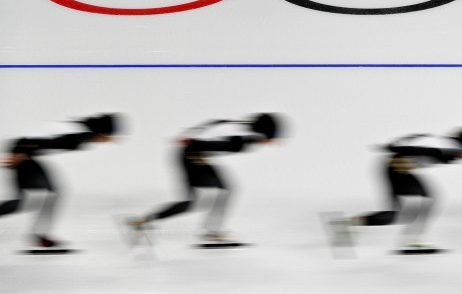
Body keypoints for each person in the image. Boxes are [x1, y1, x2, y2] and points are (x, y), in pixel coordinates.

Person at [127, 113, 281, 244]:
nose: (273, 142)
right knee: (197, 201)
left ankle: (145, 221)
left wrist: (188, 136)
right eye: (272, 138)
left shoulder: (237, 125)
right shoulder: (242, 140)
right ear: (265, 133)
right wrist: (193, 141)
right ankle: (211, 231)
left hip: (194, 152)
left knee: (217, 193)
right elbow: (217, 144)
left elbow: (213, 124)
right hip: (193, 154)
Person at [330, 128, 462, 252]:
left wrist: (392, 146)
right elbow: (420, 149)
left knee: (398, 215)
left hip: (392, 164)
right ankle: (413, 239)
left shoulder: (443, 142)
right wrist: (393, 148)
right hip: (397, 165)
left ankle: (347, 224)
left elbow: (414, 138)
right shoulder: (449, 148)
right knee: (428, 199)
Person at [0, 114, 120, 248]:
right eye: (109, 136)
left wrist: (22, 151)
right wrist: (19, 152)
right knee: (28, 201)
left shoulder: (80, 134)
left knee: (50, 194)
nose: (110, 140)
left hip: (25, 152)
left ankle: (40, 236)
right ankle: (40, 236)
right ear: (102, 132)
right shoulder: (77, 135)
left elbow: (43, 140)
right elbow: (40, 141)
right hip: (22, 149)